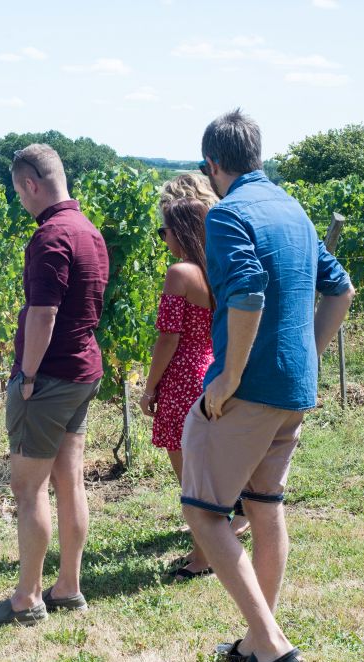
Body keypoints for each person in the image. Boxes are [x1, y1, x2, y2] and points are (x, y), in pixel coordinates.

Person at [181, 110, 354, 662]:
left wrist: (228, 378)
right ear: (256, 154)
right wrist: (310, 352)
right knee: (264, 505)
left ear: (212, 165)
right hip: (294, 388)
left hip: (248, 391)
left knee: (203, 514)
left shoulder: (228, 213)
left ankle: (273, 647)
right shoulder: (293, 209)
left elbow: (249, 291)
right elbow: (341, 288)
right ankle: (260, 639)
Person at [0, 144, 109, 627]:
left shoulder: (50, 237)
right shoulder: (90, 231)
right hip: (83, 371)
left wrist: (27, 375)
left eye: (18, 192)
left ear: (31, 184)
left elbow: (44, 314)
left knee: (29, 490)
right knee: (71, 481)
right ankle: (69, 585)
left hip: (49, 378)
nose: (20, 203)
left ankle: (27, 599)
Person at [138, 193, 219, 580]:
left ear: (180, 232)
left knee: (188, 474)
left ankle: (203, 556)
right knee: (207, 469)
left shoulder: (179, 273)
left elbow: (168, 338)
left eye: (163, 230)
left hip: (183, 376)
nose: (162, 237)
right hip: (213, 372)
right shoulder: (216, 270)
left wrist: (150, 388)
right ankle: (205, 548)